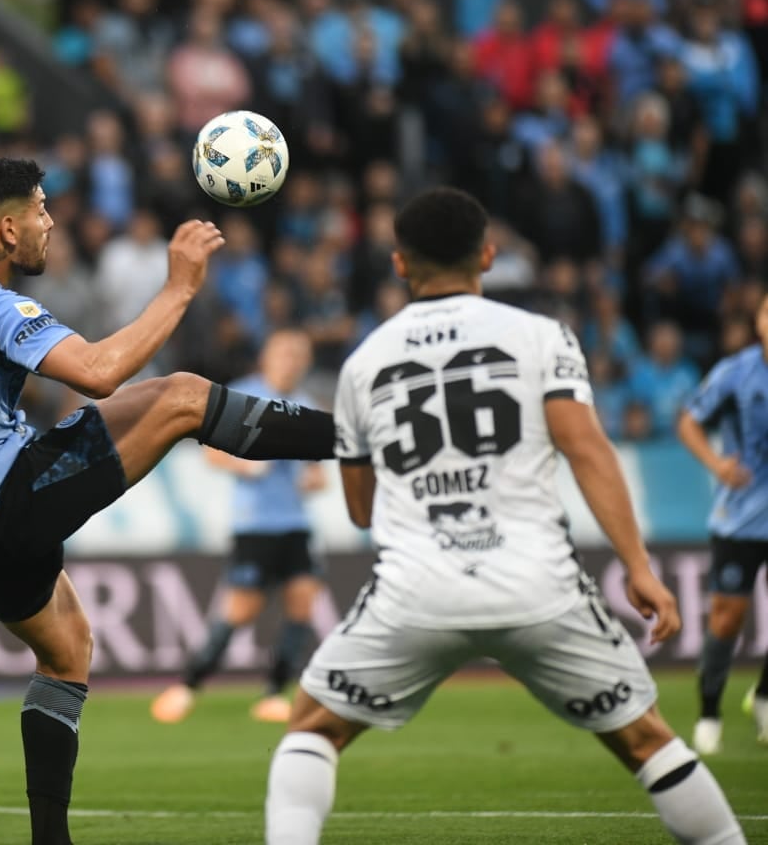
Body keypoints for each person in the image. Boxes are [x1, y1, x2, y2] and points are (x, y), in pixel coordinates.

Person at [0, 157, 335, 845]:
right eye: (42, 211)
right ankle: (357, 436)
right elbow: (98, 374)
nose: (52, 224)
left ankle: (51, 841)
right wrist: (179, 288)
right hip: (0, 507)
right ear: (9, 230)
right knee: (182, 397)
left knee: (68, 652)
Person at [263, 187, 746, 845]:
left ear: (400, 265)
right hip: (538, 586)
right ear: (488, 255)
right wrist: (638, 567)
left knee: (313, 728)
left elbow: (359, 508)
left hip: (416, 592)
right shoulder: (542, 337)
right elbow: (587, 450)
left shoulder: (362, 364)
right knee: (645, 739)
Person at [151, 328, 328, 726]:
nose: (291, 361)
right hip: (256, 524)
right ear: (266, 357)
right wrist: (243, 465)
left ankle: (274, 693)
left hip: (295, 522)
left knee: (302, 602)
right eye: (284, 353)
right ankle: (188, 684)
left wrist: (314, 481)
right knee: (241, 611)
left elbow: (317, 473)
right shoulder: (244, 395)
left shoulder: (304, 404)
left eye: (298, 355)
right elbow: (211, 451)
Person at [676, 292, 768, 754]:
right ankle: (709, 710)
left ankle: (765, 696)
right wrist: (717, 464)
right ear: (759, 320)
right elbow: (689, 421)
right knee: (728, 617)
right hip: (741, 518)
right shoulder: (736, 372)